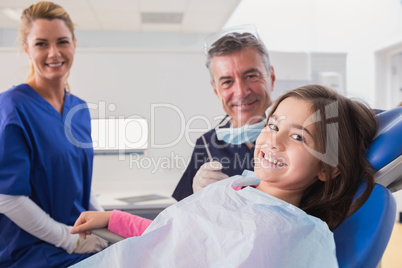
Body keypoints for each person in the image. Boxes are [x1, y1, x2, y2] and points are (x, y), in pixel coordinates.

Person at [70, 85, 377, 267]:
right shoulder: (239, 186)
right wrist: (113, 219)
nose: (274, 141)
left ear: (328, 167)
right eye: (272, 126)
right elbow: (177, 237)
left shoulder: (296, 233)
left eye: (298, 137)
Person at [0, 2, 107, 267]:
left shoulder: (78, 109)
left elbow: (80, 179)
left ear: (74, 44)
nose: (54, 53)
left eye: (62, 42)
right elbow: (7, 197)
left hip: (77, 244)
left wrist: (105, 221)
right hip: (31, 252)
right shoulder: (12, 107)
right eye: (41, 44)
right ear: (26, 48)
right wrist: (69, 240)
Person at [172, 29, 276, 201]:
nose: (241, 92)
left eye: (251, 76)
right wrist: (196, 196)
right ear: (216, 90)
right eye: (227, 82)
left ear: (271, 77)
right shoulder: (206, 145)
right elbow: (183, 220)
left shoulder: (298, 138)